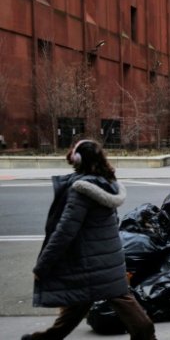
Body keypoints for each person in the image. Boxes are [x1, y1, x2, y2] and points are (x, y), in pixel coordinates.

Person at [24, 139, 156, 340]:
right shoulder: (107, 184)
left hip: (88, 263)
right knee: (82, 305)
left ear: (77, 159)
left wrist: (42, 266)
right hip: (109, 260)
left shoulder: (82, 191)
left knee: (115, 307)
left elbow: (64, 232)